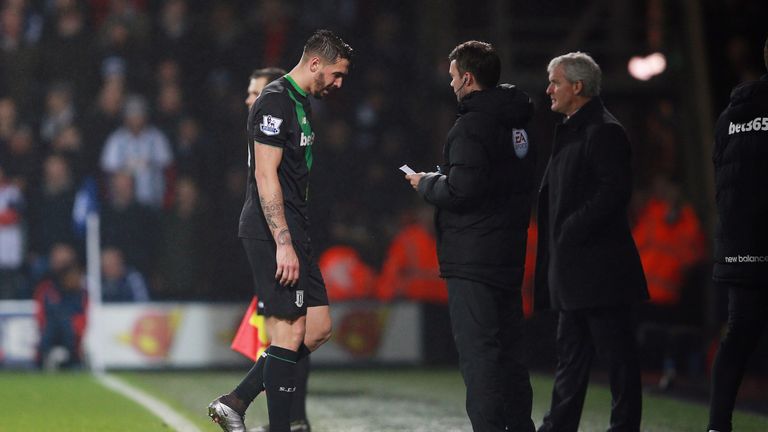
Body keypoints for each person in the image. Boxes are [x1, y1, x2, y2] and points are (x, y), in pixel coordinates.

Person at [208, 29, 352, 432]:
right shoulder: (274, 101)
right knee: (288, 334)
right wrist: (283, 243)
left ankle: (236, 401)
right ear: (315, 63)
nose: (339, 84)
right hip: (272, 232)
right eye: (337, 74)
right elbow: (266, 176)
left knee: (317, 328)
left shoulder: (300, 102)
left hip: (295, 229)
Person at [406, 40, 537, 432]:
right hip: (508, 252)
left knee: (480, 354)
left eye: (452, 77)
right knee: (511, 353)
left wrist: (426, 183)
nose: (450, 84)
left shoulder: (471, 126)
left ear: (467, 78)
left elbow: (462, 192)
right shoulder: (519, 124)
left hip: (473, 258)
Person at [534, 52, 648, 432]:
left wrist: (569, 229)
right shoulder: (575, 129)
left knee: (619, 361)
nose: (549, 90)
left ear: (577, 87)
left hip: (601, 274)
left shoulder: (603, 130)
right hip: (575, 273)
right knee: (570, 359)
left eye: (555, 82)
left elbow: (613, 193)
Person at [707, 37, 768, 432]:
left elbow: (720, 174)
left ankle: (717, 426)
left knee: (738, 337)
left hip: (738, 244)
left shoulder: (730, 114)